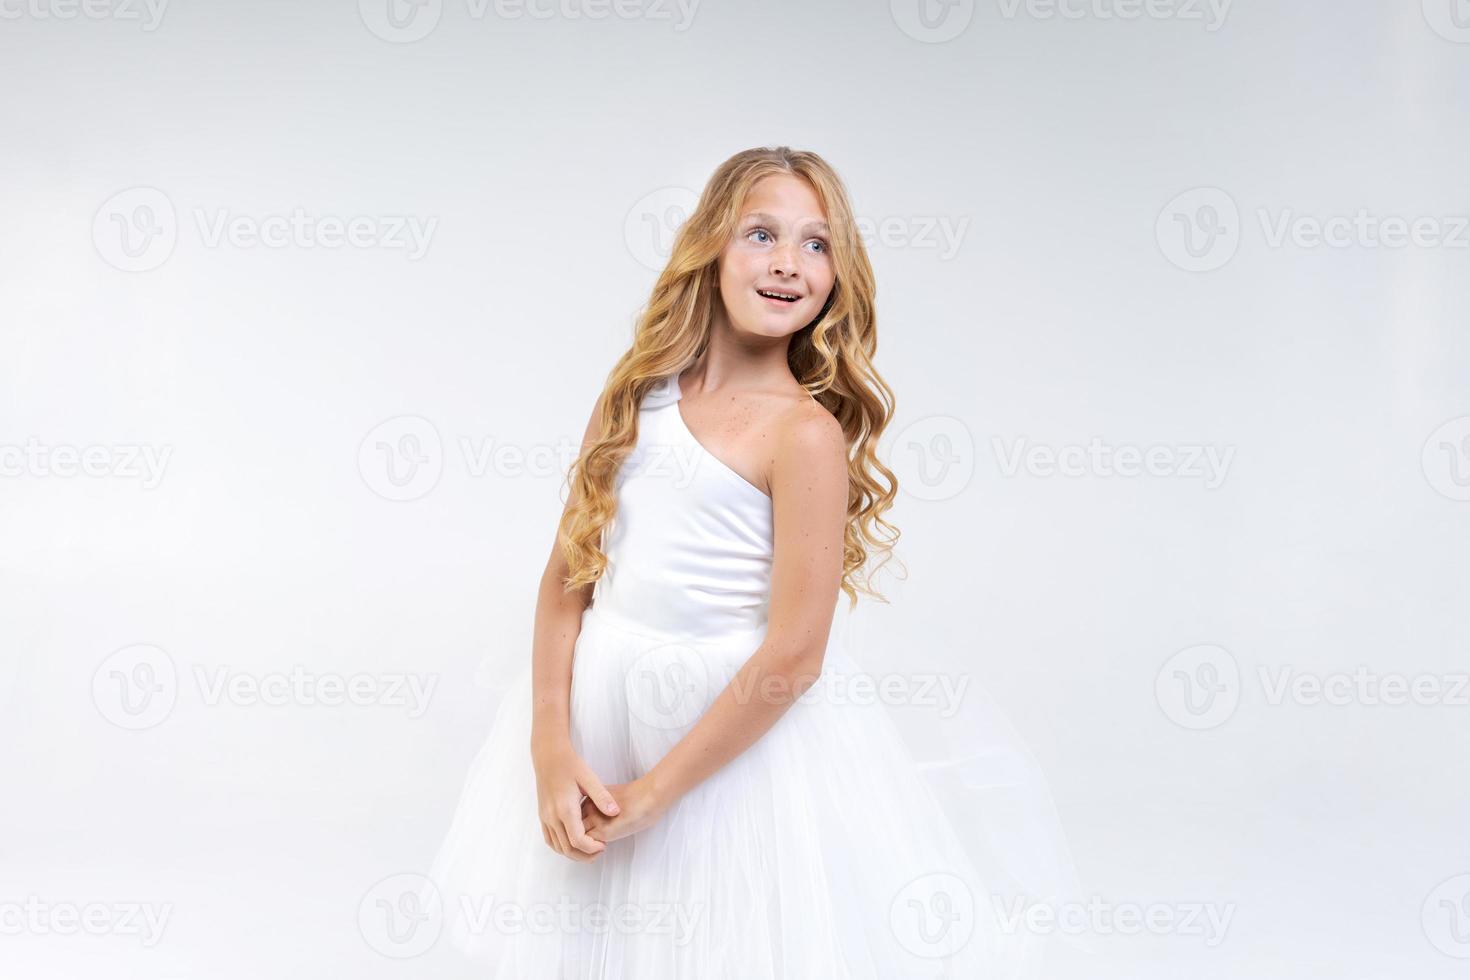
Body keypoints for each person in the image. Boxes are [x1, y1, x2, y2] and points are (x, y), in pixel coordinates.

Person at [425, 146, 1083, 978]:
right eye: (762, 234)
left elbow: (795, 654)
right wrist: (550, 748)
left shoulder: (801, 434)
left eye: (816, 244)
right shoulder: (632, 398)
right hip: (601, 715)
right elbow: (567, 580)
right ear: (711, 249)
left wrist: (656, 793)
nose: (787, 263)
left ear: (839, 276)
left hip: (727, 745)